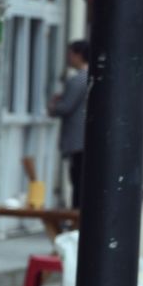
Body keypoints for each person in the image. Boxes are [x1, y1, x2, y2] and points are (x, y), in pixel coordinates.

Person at [49, 40, 91, 210]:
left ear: (78, 55)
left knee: (77, 181)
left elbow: (65, 107)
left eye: (71, 53)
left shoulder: (78, 80)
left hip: (76, 140)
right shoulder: (89, 78)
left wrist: (52, 106)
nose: (68, 57)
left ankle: (76, 216)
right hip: (84, 138)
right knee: (81, 180)